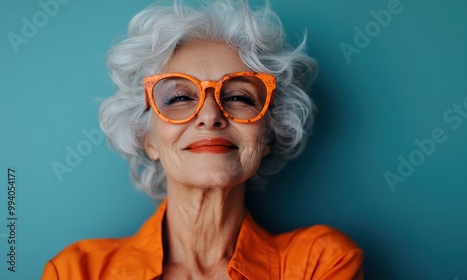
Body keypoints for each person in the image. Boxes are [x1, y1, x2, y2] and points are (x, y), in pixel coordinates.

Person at [42, 0, 363, 279]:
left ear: (269, 133)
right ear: (148, 138)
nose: (210, 115)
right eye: (179, 97)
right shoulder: (76, 272)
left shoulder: (320, 263)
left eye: (239, 96)